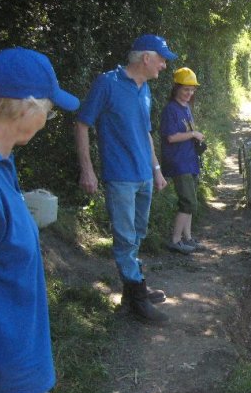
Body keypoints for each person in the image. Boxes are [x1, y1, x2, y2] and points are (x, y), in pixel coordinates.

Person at [0, 48, 91, 393]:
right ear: (23, 107)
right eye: (48, 107)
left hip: (24, 360)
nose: (50, 118)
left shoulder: (2, 168)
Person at [74, 34, 178, 324]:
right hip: (119, 176)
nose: (164, 65)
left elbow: (145, 133)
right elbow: (82, 124)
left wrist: (156, 170)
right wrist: (88, 169)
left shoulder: (145, 90)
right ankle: (138, 298)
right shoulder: (107, 83)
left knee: (138, 233)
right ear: (146, 58)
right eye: (162, 59)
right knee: (124, 237)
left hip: (144, 175)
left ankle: (133, 290)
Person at [159, 67, 206, 255]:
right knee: (188, 202)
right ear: (176, 88)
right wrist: (193, 134)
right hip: (178, 161)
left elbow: (187, 132)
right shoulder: (170, 109)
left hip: (190, 159)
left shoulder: (186, 108)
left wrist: (196, 138)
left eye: (192, 89)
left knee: (191, 200)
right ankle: (175, 240)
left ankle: (188, 238)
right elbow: (170, 137)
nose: (189, 93)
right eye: (186, 89)